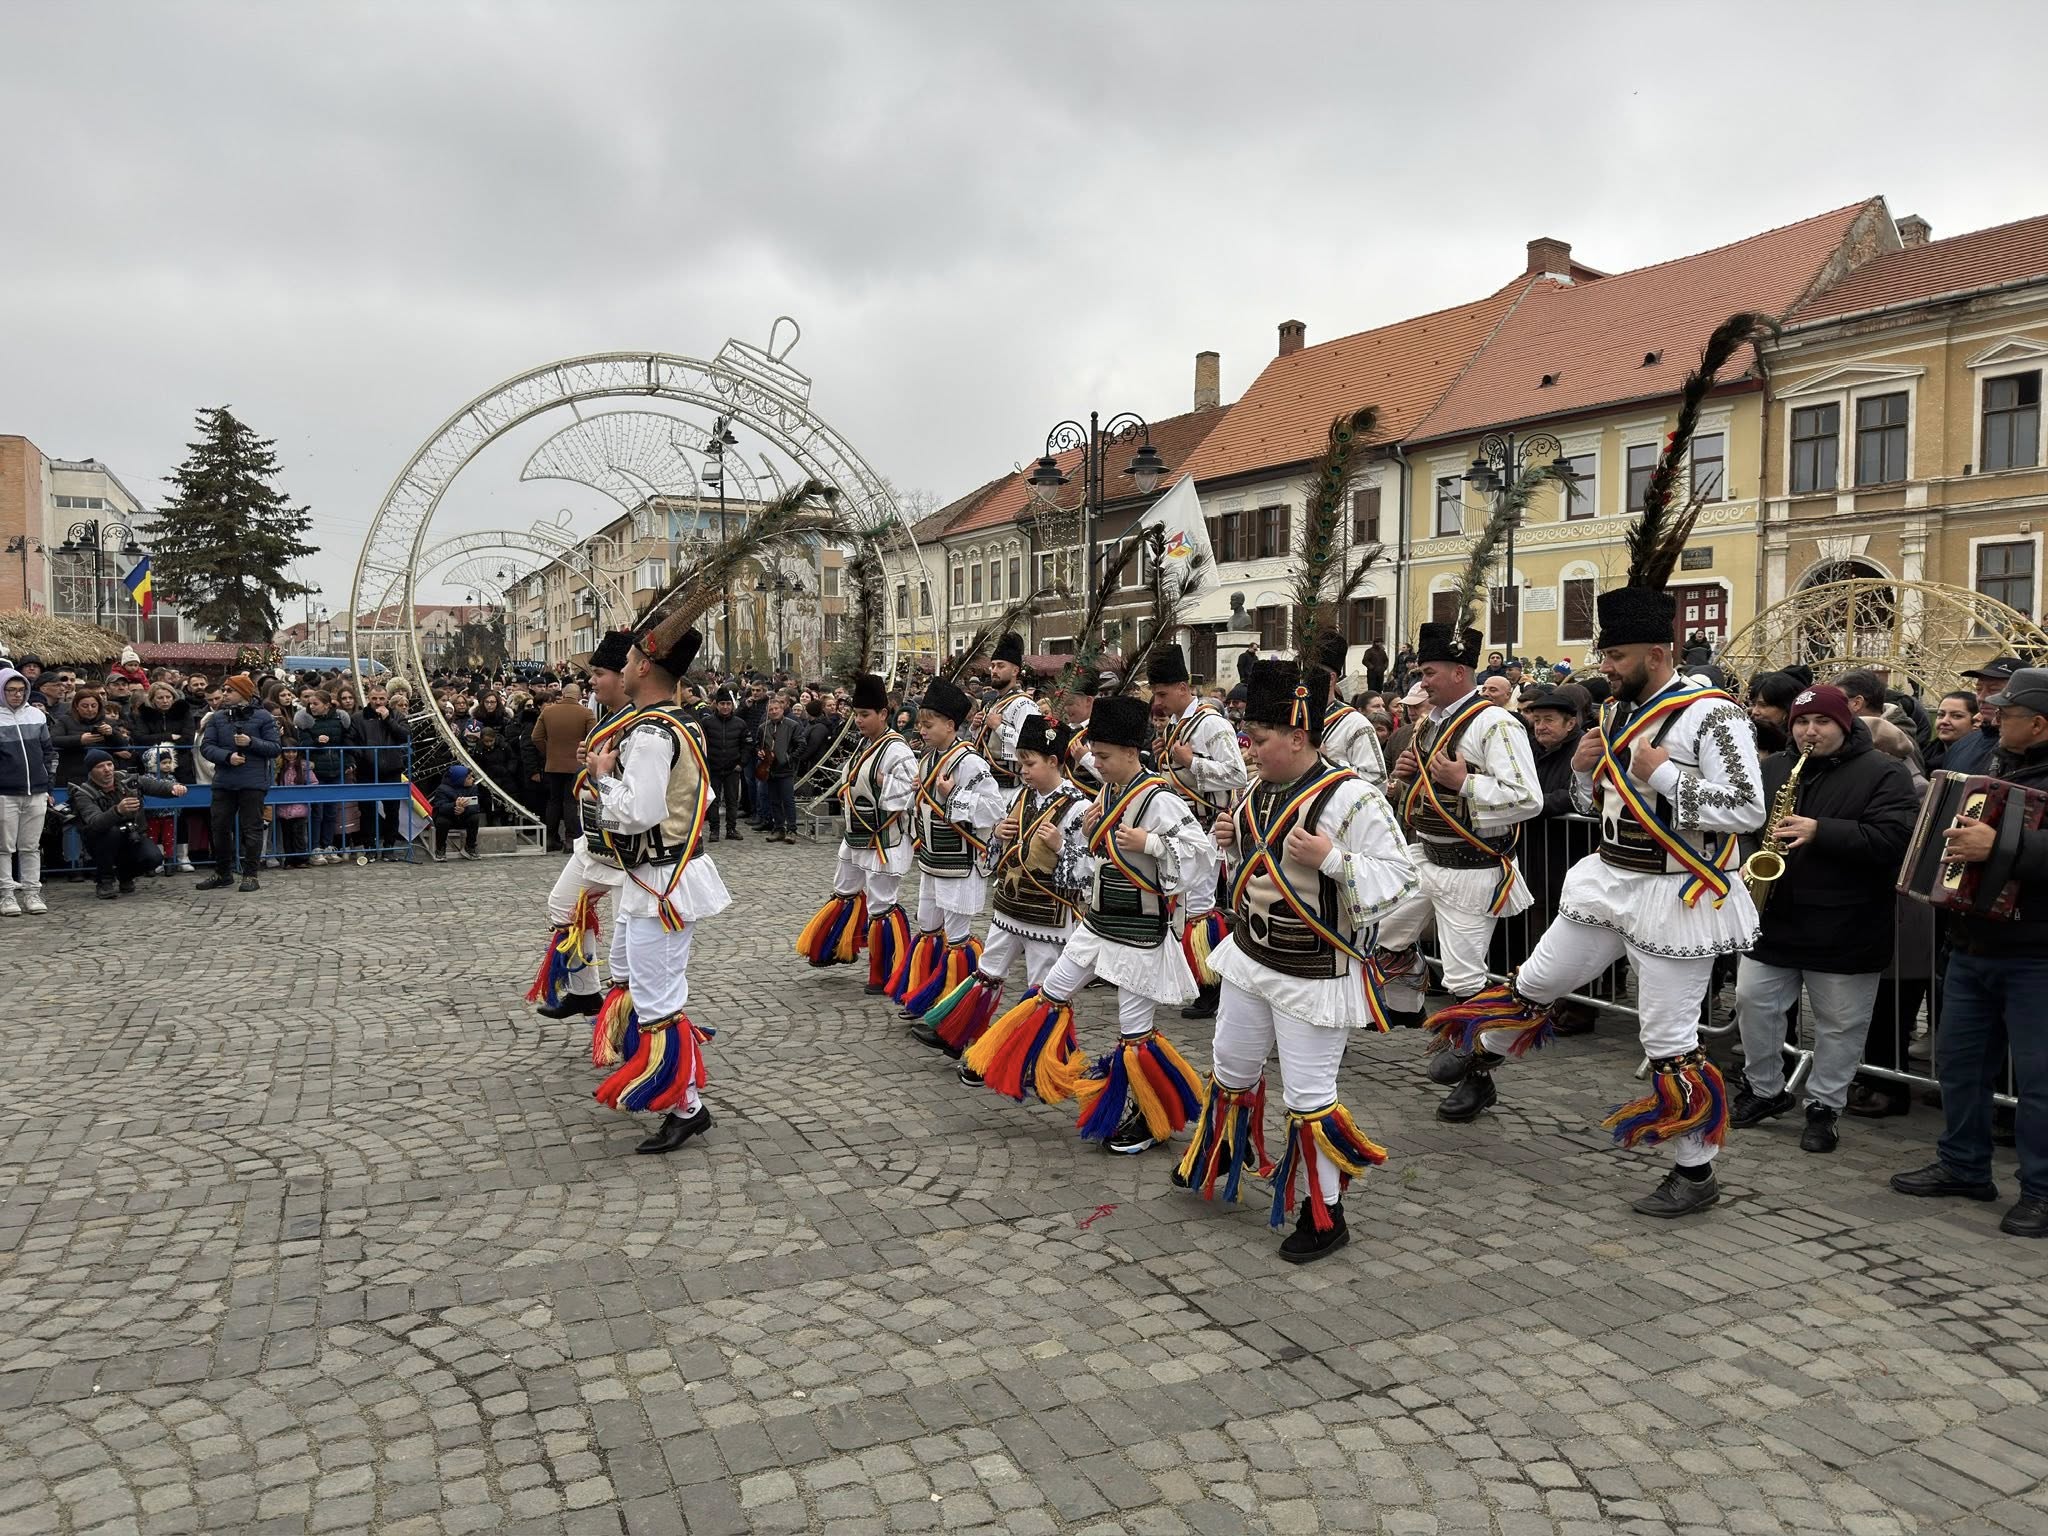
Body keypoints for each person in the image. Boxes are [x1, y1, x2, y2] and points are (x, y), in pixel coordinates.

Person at [1425, 559, 1765, 1216]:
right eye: (1605, 655)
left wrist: (1664, 776)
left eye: (1616, 656)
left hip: (1677, 895)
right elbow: (1599, 805)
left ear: (1657, 654)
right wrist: (1585, 774)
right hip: (1609, 879)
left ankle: (1695, 1171)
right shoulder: (1615, 712)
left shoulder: (1712, 716)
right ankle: (1481, 1065)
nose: (1604, 666)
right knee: (1535, 982)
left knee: (1668, 1039)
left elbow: (1748, 808)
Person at [1175, 658, 1418, 1263]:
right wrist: (1231, 839)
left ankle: (1325, 1213)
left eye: (1258, 739)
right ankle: (1223, 1148)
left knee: (1309, 1095)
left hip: (1314, 971)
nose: (1249, 750)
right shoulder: (1259, 788)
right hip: (1251, 956)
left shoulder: (1352, 797)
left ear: (1297, 737)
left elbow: (1401, 878)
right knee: (1231, 1065)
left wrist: (1333, 859)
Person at [964, 693, 1209, 1156]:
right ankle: (1016, 1061)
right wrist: (1095, 837)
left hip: (1138, 931)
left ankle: (1152, 1114)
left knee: (1134, 1030)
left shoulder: (1158, 799)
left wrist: (1151, 843)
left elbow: (1201, 855)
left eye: (1104, 755)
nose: (1095, 762)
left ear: (1132, 753)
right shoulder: (1110, 792)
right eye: (1094, 753)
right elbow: (1094, 860)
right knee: (1052, 992)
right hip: (1097, 922)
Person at [1891, 666, 2048, 1238]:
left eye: (2006, 712)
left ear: (2039, 724)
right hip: (1972, 943)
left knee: (2040, 1082)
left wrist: (2004, 844)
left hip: (2037, 955)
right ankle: (1963, 1165)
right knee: (1959, 1065)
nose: (1992, 716)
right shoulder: (1993, 760)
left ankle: (2042, 1191)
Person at [1729, 686, 1918, 1154]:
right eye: (1801, 722)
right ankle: (1765, 1089)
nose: (1809, 731)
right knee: (1753, 1003)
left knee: (1839, 1024)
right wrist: (1750, 857)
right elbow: (1747, 826)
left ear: (1845, 724)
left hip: (1847, 923)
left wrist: (1822, 831)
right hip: (1776, 918)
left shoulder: (1885, 772)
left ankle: (1824, 1107)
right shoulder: (1774, 768)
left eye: (1822, 722)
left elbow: (1895, 840)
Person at [1370, 619, 1541, 1117]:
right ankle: (1410, 994)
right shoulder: (1432, 723)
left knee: (1465, 980)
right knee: (1382, 933)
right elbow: (1428, 789)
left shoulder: (1497, 724)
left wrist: (1465, 782)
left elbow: (1527, 798)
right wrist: (1406, 778)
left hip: (1472, 868)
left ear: (1459, 672)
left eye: (1429, 673)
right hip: (1427, 855)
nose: (1421, 682)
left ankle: (1478, 1074)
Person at [587, 624, 730, 1156]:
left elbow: (638, 813)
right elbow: (702, 798)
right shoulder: (683, 722)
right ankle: (643, 1062)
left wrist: (603, 778)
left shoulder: (651, 733)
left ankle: (687, 1107)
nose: (621, 670)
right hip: (652, 876)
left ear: (644, 667)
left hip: (662, 882)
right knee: (628, 971)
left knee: (659, 997)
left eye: (626, 661)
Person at [918, 713, 1089, 1078]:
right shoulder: (1022, 797)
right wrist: (998, 835)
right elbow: (997, 854)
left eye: (1030, 763)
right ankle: (958, 1033)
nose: (1022, 771)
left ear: (1053, 761)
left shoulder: (1078, 808)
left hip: (1047, 915)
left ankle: (1034, 1059)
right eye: (1021, 762)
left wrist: (1061, 847)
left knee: (1041, 986)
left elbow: (1089, 871)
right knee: (988, 969)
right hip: (1009, 907)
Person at [795, 673, 918, 990]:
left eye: (865, 715)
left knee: (881, 903)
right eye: (856, 714)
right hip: (855, 836)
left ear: (883, 714)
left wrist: (882, 784)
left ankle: (886, 970)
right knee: (844, 889)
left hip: (884, 840)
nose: (859, 720)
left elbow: (909, 794)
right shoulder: (866, 743)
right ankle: (835, 947)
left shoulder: (897, 750)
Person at [895, 676, 1004, 1019]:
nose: (922, 730)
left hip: (960, 862)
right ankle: (924, 995)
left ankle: (953, 1007)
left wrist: (952, 795)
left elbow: (995, 809)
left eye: (928, 725)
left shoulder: (970, 761)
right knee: (928, 925)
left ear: (950, 725)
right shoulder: (928, 759)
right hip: (932, 860)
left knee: (957, 934)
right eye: (921, 724)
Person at [1150, 642, 1249, 1020]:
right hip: (1180, 828)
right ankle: (1195, 978)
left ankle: (1212, 985)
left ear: (1182, 688)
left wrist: (1192, 762)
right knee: (1181, 905)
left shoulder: (1212, 723)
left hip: (1207, 829)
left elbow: (1237, 773)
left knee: (1199, 907)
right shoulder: (1176, 725)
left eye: (1162, 694)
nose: (1158, 702)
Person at [196, 674, 280, 893]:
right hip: (224, 781)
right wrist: (227, 757)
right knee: (219, 828)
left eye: (229, 690)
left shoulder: (263, 717)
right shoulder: (217, 717)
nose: (224, 694)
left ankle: (250, 875)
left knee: (251, 828)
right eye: (224, 690)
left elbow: (274, 747)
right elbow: (206, 746)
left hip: (252, 782)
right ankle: (223, 873)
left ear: (243, 692)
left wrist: (251, 742)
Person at [69, 748, 188, 897]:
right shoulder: (84, 793)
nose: (107, 769)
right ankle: (105, 880)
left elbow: (154, 786)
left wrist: (173, 788)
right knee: (110, 833)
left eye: (109, 764)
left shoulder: (127, 778)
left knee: (154, 858)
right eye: (100, 766)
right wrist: (117, 811)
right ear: (90, 771)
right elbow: (95, 823)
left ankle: (125, 875)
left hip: (133, 834)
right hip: (102, 841)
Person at [1, 666, 56, 916]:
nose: (17, 694)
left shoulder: (36, 715)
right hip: (5, 793)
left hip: (36, 790)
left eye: (21, 690)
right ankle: (6, 895)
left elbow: (49, 753)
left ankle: (32, 892)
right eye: (11, 690)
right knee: (4, 847)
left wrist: (48, 784)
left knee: (31, 846)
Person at [1313, 633, 1388, 788]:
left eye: (1309, 672)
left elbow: (1378, 780)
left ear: (1331, 678)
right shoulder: (1292, 717)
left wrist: (1329, 764)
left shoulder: (1355, 724)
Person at [349, 683, 413, 858]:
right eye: (374, 698)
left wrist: (388, 719)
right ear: (368, 699)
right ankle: (369, 847)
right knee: (367, 811)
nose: (378, 702)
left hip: (391, 769)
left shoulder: (396, 715)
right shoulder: (358, 718)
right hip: (367, 769)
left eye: (382, 699)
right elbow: (350, 740)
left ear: (387, 699)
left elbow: (405, 735)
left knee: (392, 811)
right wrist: (360, 755)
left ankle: (389, 847)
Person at [529, 680, 593, 853]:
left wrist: (548, 752)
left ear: (563, 694)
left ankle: (550, 838)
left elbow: (536, 737)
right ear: (579, 696)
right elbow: (593, 738)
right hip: (576, 765)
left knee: (554, 801)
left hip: (553, 764)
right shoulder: (586, 713)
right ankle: (571, 840)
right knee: (571, 802)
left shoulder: (548, 712)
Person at [973, 631, 1041, 790]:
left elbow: (1031, 746)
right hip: (987, 784)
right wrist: (976, 727)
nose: (994, 670)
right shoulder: (991, 704)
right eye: (992, 666)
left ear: (1015, 671)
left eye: (1000, 666)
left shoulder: (1024, 704)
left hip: (1012, 787)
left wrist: (999, 727)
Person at [1944, 656, 2020, 778]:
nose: (1981, 697)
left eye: (1993, 690)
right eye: (1978, 689)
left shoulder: (2026, 751)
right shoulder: (1961, 745)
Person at [700, 689, 750, 843]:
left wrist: (741, 763)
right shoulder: (706, 723)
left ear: (732, 705)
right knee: (713, 801)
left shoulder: (740, 723)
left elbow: (747, 746)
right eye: (722, 704)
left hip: (732, 768)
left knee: (732, 801)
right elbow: (701, 744)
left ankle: (731, 829)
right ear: (716, 705)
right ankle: (714, 830)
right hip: (713, 768)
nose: (725, 707)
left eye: (728, 704)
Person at [757, 695, 805, 843]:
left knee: (788, 800)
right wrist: (759, 753)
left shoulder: (793, 725)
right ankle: (778, 828)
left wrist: (789, 758)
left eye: (776, 708)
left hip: (786, 769)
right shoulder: (763, 728)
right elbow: (758, 745)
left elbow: (801, 744)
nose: (774, 711)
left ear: (782, 709)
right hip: (769, 768)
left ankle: (792, 830)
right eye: (771, 709)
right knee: (774, 800)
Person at [432, 763, 484, 859]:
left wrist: (464, 809)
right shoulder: (442, 789)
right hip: (449, 817)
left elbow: (476, 807)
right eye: (469, 778)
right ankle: (440, 848)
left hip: (464, 817)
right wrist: (454, 806)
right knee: (442, 821)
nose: (472, 779)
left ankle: (470, 847)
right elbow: (440, 807)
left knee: (475, 817)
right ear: (460, 779)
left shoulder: (473, 788)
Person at [1928, 689, 1983, 773]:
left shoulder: (1981, 763)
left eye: (1956, 716)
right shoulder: (1924, 754)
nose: (1944, 721)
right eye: (1941, 715)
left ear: (1976, 720)